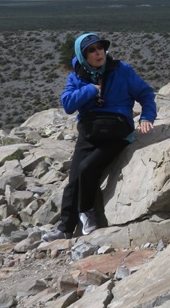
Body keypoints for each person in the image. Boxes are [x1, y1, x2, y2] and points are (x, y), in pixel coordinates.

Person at [42, 32, 157, 242]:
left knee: (88, 169)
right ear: (83, 55)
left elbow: (146, 94)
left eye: (100, 48)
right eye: (91, 50)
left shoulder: (121, 70)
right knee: (74, 179)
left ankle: (88, 214)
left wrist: (146, 116)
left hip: (117, 131)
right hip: (90, 130)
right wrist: (90, 90)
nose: (98, 53)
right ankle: (65, 227)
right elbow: (68, 105)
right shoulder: (77, 76)